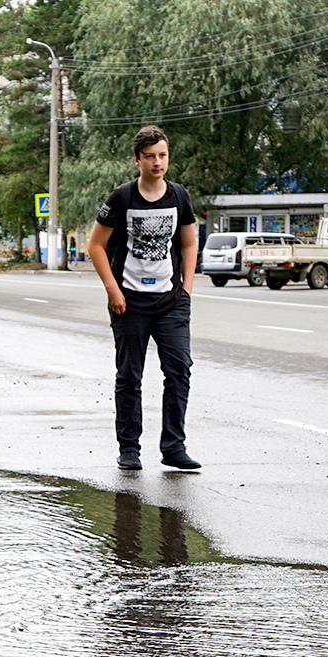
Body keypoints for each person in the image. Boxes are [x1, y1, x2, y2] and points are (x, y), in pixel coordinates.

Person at [86, 124, 199, 472]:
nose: (157, 162)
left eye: (162, 155)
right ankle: (129, 449)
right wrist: (112, 289)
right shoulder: (121, 198)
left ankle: (173, 447)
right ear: (137, 160)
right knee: (129, 376)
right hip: (129, 301)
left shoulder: (179, 196)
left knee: (179, 370)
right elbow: (96, 245)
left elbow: (189, 243)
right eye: (149, 157)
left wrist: (187, 290)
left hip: (170, 301)